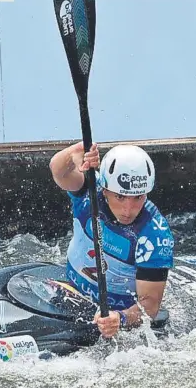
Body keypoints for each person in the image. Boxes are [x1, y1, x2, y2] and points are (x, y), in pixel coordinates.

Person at [49, 141, 175, 339]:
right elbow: (59, 172)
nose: (128, 210)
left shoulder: (155, 236)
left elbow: (149, 305)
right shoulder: (89, 193)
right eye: (120, 197)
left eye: (138, 198)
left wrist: (120, 319)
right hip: (71, 292)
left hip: (113, 319)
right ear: (105, 189)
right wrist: (75, 153)